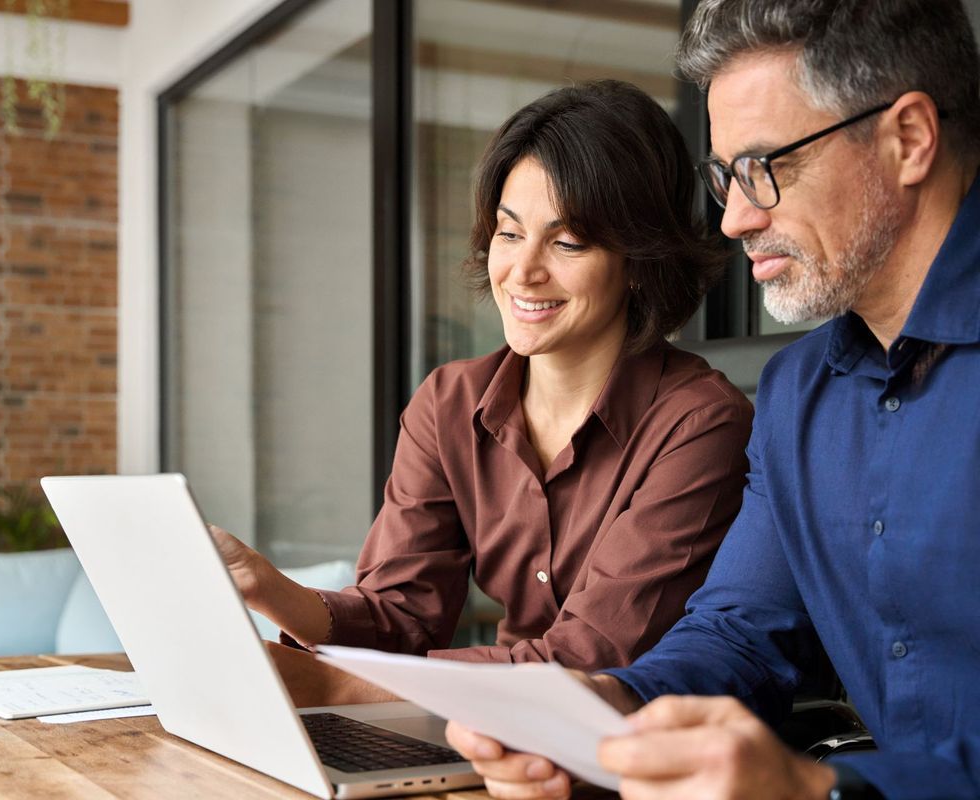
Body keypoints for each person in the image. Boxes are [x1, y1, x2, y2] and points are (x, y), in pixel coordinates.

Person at [445, 1, 980, 798]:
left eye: (767, 167)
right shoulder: (801, 395)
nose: (735, 218)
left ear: (907, 139)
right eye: (724, 176)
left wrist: (816, 790)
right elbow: (738, 636)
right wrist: (606, 707)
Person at [213, 80, 754, 708]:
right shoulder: (449, 403)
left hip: (633, 750)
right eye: (508, 232)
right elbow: (402, 618)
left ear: (639, 260)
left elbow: (591, 660)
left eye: (567, 241)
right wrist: (267, 587)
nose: (523, 271)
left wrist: (338, 686)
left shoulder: (701, 424)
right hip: (481, 727)